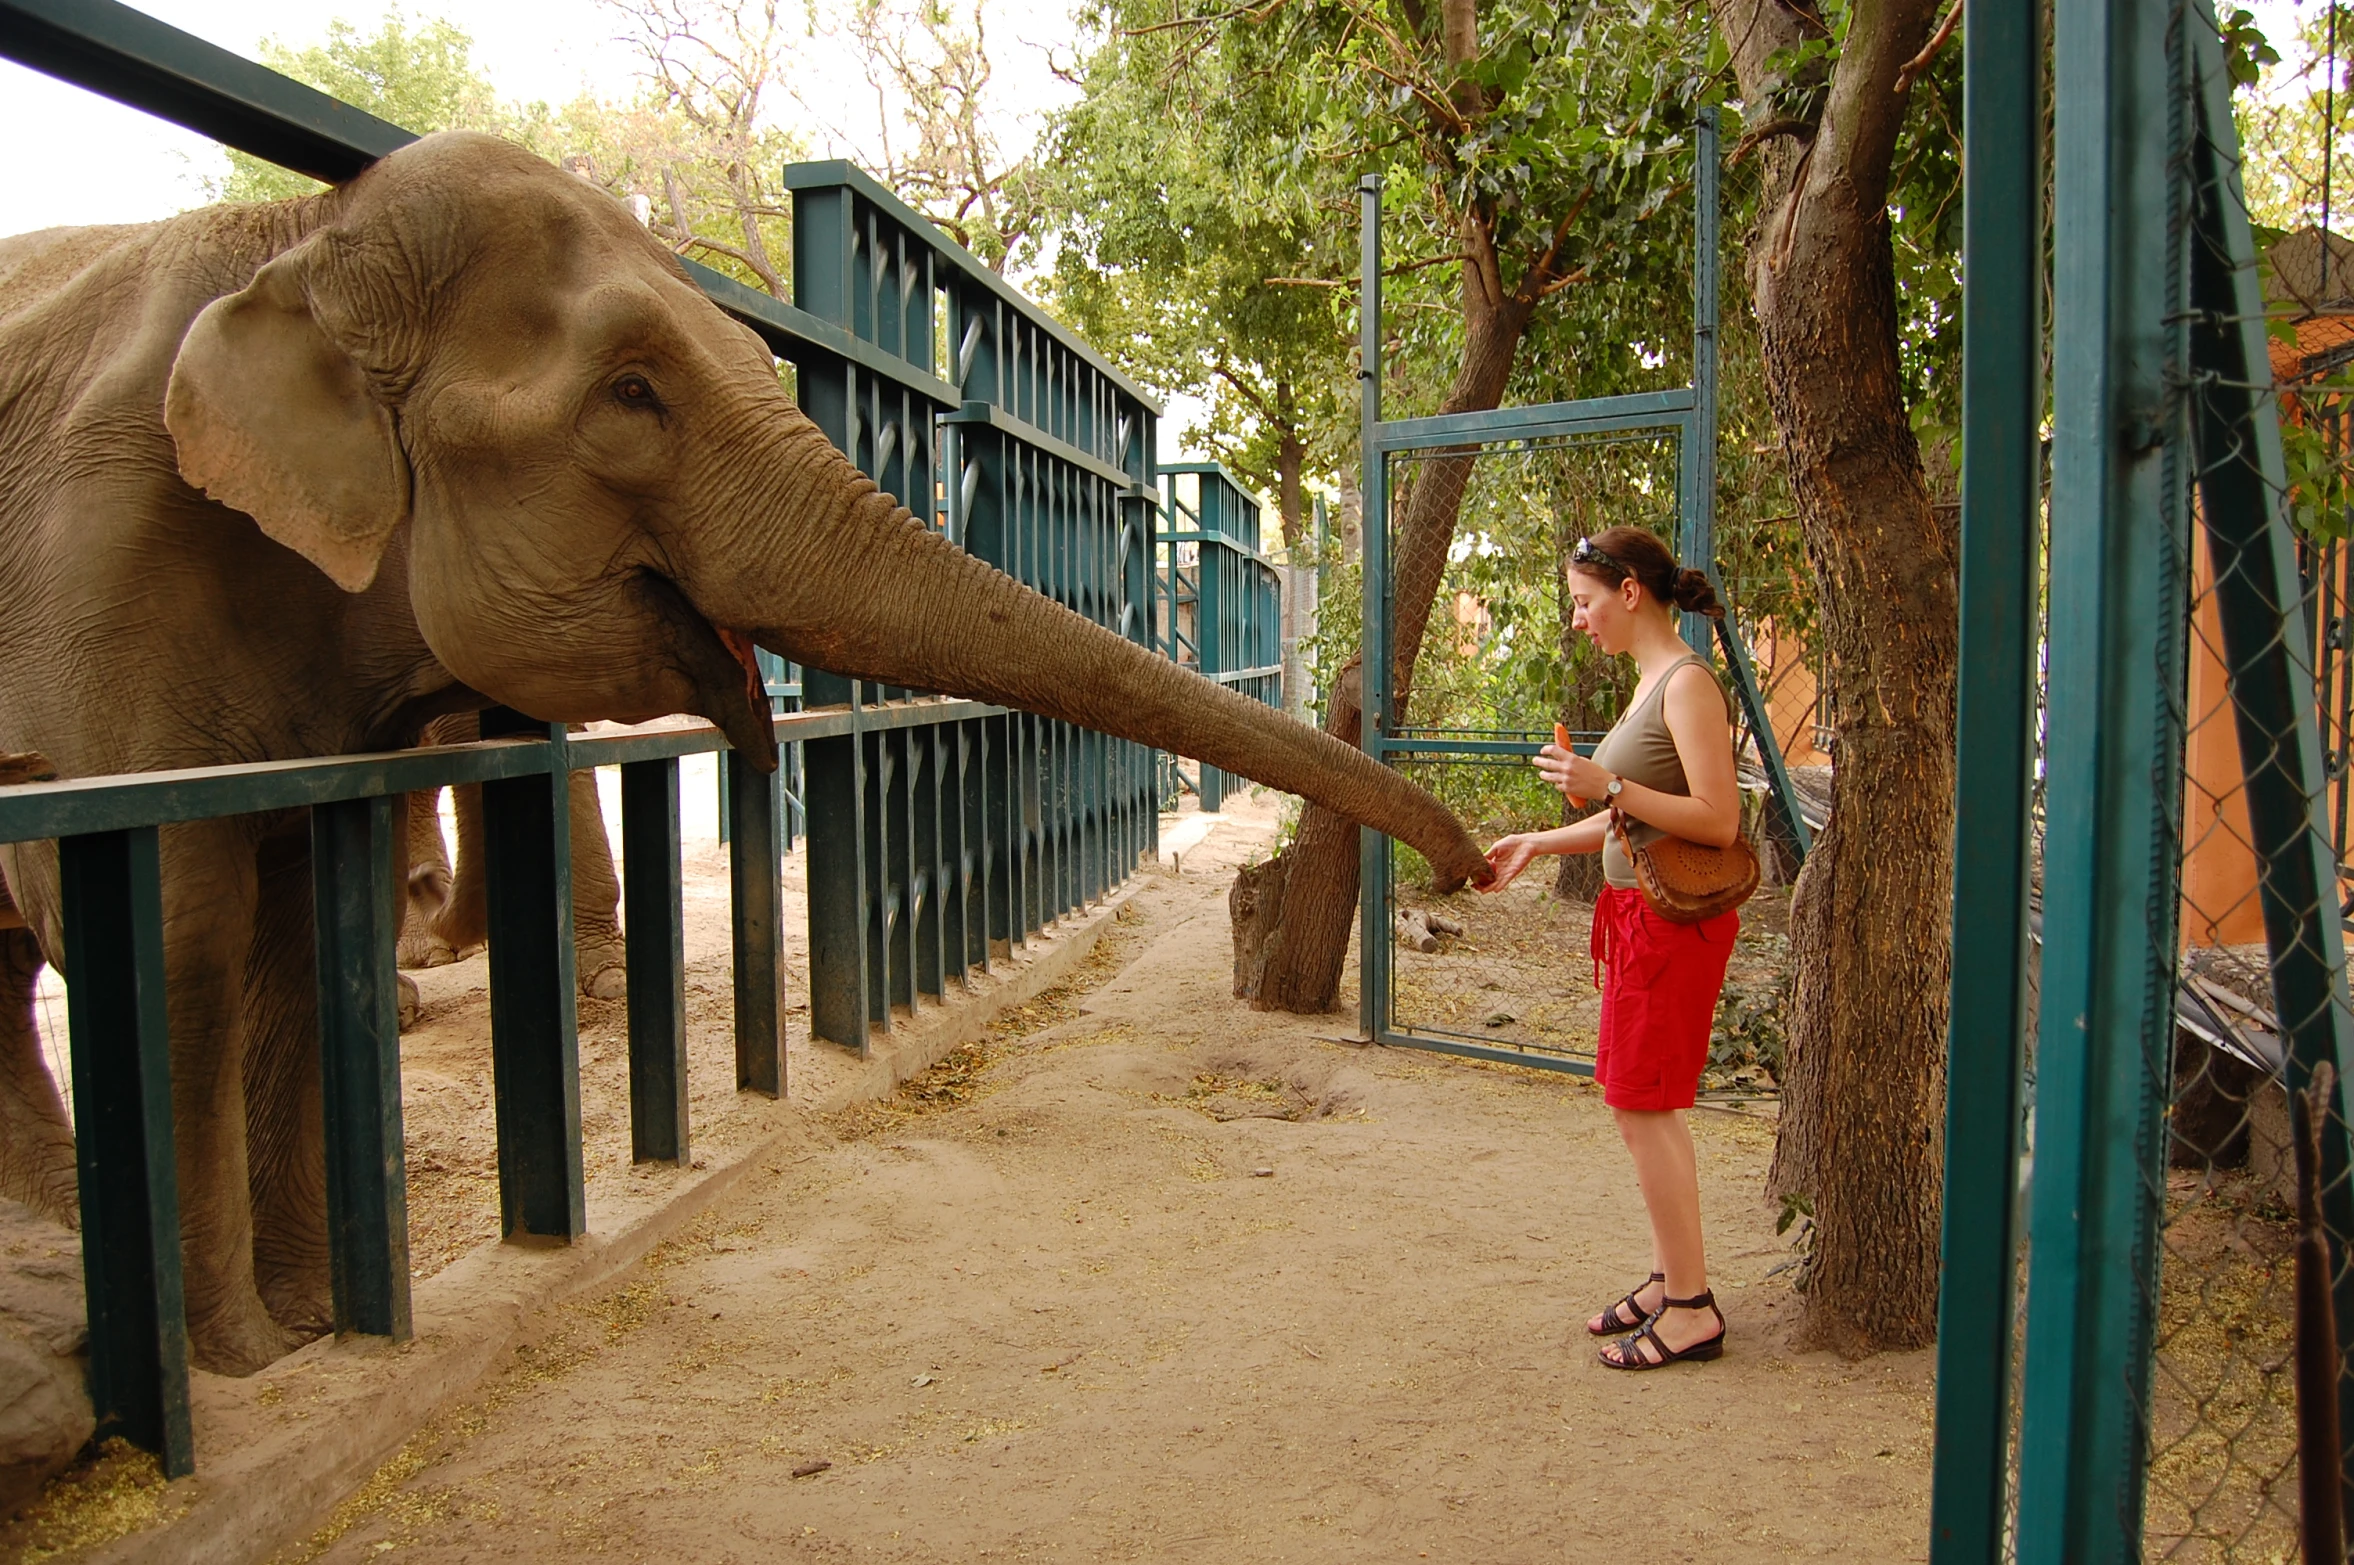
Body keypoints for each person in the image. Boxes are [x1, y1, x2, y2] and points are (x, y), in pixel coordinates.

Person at [1482, 526, 1744, 1371]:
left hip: (1675, 926)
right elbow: (1627, 814)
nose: (1578, 617)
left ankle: (1693, 1306)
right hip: (1639, 921)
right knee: (1639, 1102)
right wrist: (1537, 839)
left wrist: (1610, 783)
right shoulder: (1650, 684)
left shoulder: (1688, 685)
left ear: (1630, 591)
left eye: (1585, 601)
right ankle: (1674, 1276)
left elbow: (1719, 820)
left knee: (1643, 1105)